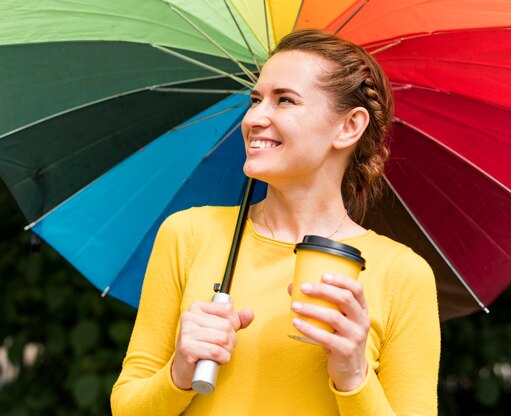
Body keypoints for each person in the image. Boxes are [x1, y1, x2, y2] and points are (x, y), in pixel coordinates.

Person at [111, 29, 440, 415]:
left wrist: (353, 377)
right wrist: (180, 371)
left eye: (284, 100)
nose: (254, 118)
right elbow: (127, 407)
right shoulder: (188, 235)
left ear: (349, 126)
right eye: (255, 99)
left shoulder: (402, 275)